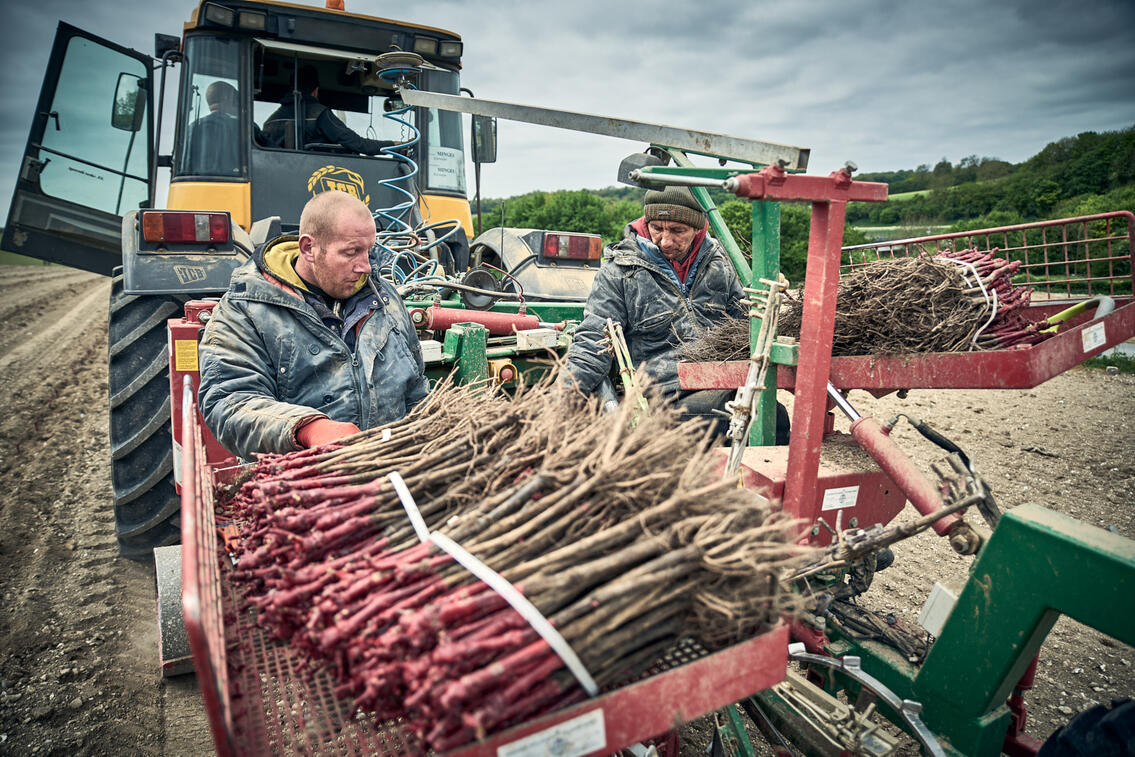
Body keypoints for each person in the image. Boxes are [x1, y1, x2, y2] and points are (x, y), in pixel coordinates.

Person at [198, 190, 429, 459]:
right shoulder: (245, 310)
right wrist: (308, 429)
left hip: (392, 475)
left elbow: (415, 388)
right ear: (309, 248)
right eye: (352, 252)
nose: (366, 267)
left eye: (369, 251)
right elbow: (230, 402)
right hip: (300, 486)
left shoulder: (385, 300)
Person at [563, 186, 789, 442]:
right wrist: (560, 400)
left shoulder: (721, 264)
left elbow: (746, 327)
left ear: (698, 227)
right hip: (662, 397)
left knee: (772, 415)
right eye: (657, 228)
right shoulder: (620, 272)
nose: (666, 241)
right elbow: (593, 344)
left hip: (720, 382)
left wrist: (771, 305)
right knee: (754, 417)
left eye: (678, 230)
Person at [261, 65, 400, 155]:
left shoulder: (270, 121)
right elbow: (358, 144)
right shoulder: (319, 114)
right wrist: (395, 146)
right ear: (315, 91)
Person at [185, 81, 241, 175]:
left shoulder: (191, 129)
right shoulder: (241, 127)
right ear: (226, 99)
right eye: (236, 100)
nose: (239, 106)